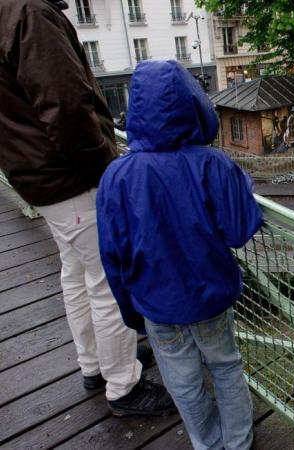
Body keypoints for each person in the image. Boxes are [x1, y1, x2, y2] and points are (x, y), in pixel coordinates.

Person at [0, 0, 174, 416]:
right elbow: (65, 104)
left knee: (76, 272)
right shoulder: (29, 12)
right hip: (71, 175)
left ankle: (95, 363)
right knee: (107, 280)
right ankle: (123, 385)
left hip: (36, 174)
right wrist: (105, 170)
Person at [96, 60, 263, 449]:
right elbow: (239, 230)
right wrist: (241, 182)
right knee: (225, 366)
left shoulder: (116, 177)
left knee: (183, 382)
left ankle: (207, 443)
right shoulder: (213, 164)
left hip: (156, 303)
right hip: (211, 297)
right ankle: (238, 442)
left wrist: (130, 312)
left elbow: (112, 256)